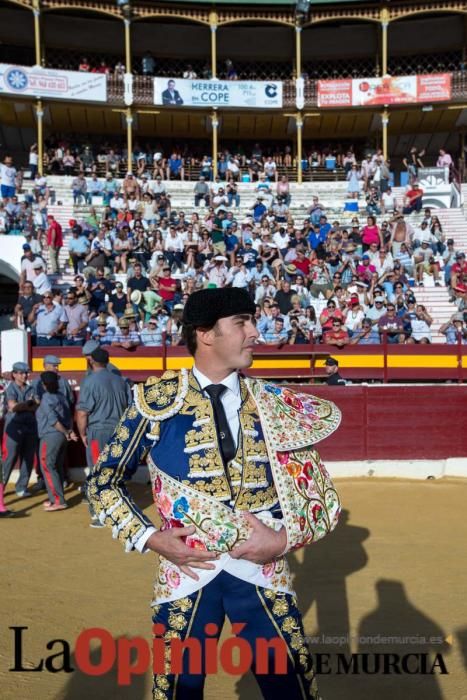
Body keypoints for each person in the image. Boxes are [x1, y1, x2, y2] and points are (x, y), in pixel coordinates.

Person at [87, 287, 341, 699]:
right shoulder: (156, 402)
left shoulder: (274, 404)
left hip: (263, 573)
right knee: (176, 693)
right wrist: (149, 537)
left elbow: (321, 502)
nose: (256, 332)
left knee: (292, 691)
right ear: (205, 334)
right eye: (242, 323)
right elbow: (103, 482)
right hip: (186, 575)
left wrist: (280, 539)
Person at [77, 347, 132, 527]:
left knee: (97, 472)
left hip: (98, 430)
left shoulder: (90, 381)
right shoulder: (120, 381)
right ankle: (117, 510)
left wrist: (82, 433)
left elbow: (83, 412)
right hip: (118, 431)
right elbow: (129, 408)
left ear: (92, 360)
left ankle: (99, 514)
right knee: (115, 472)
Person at [36, 371, 78, 512]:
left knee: (48, 466)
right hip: (61, 436)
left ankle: (58, 500)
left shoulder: (46, 398)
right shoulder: (62, 396)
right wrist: (69, 431)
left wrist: (67, 432)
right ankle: (55, 497)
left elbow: (53, 421)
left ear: (43, 385)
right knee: (57, 467)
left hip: (51, 436)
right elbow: (68, 416)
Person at [2, 362, 38, 497]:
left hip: (29, 426)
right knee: (9, 458)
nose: (25, 375)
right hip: (14, 428)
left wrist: (23, 406)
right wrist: (27, 405)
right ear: (14, 374)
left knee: (28, 458)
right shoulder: (10, 388)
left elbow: (35, 406)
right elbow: (13, 407)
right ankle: (1, 488)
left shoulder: (30, 388)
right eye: (22, 373)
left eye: (26, 373)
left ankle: (21, 487)